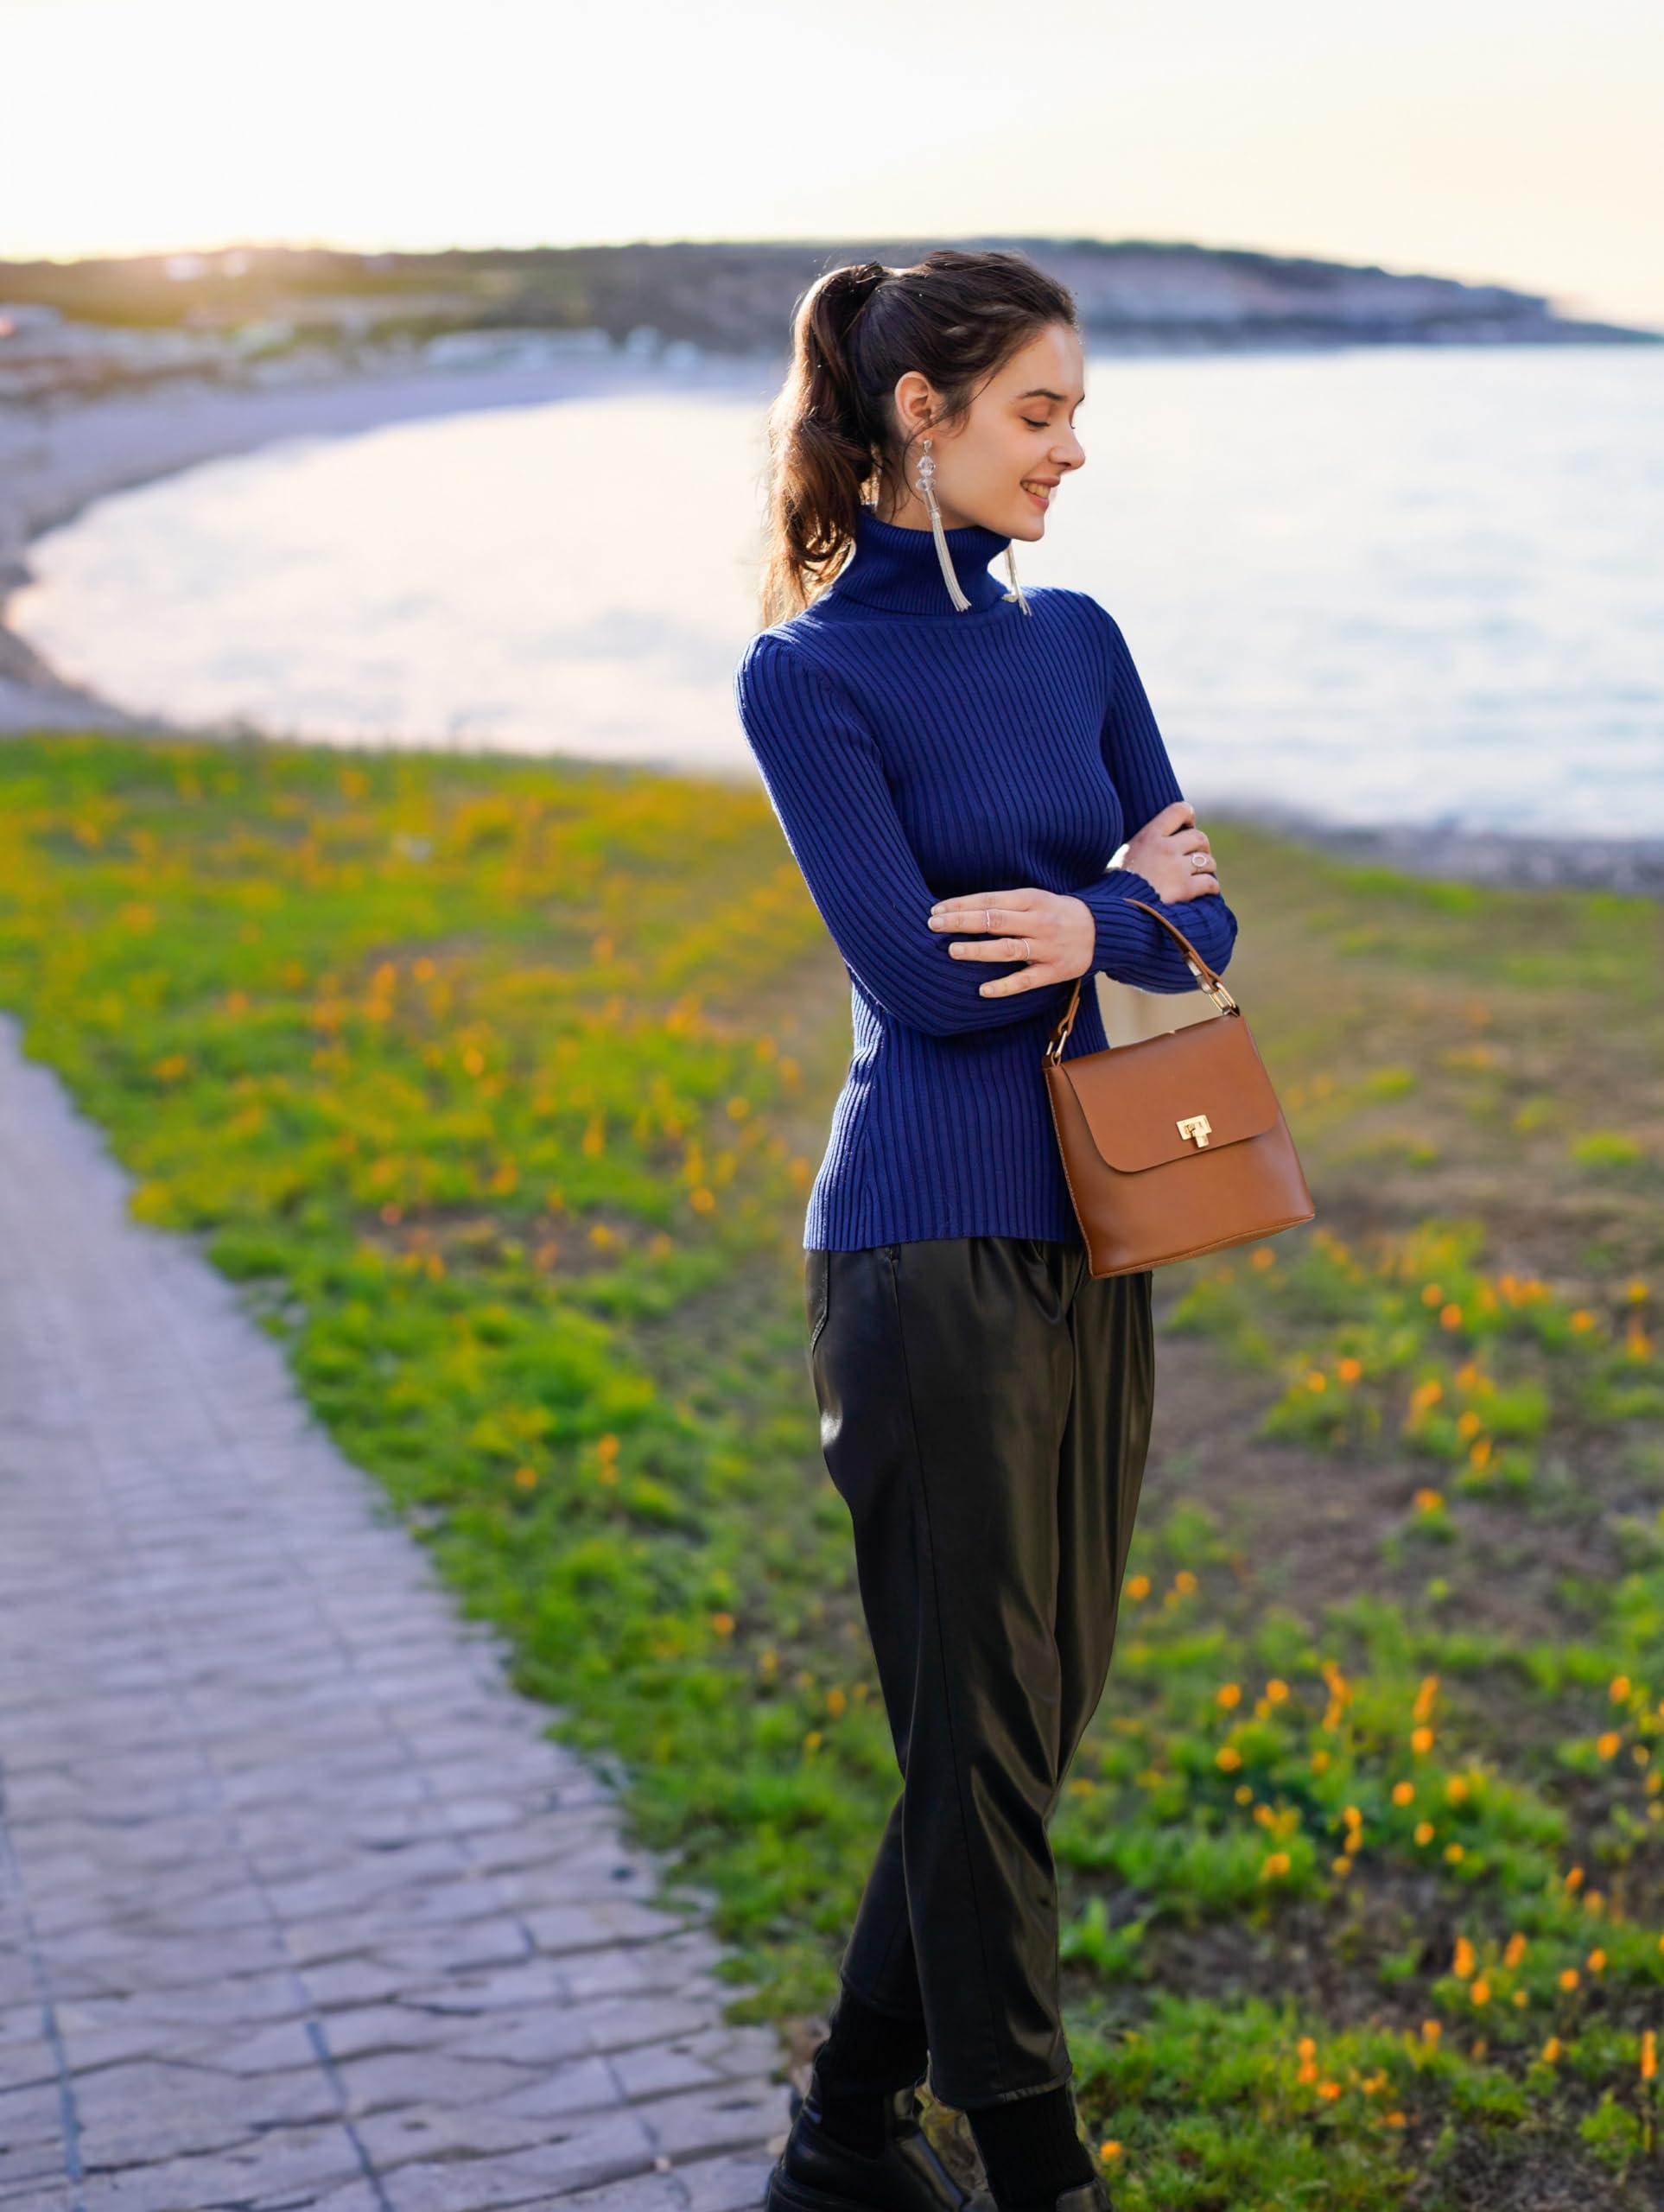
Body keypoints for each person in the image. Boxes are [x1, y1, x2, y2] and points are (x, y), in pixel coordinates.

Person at [732, 249, 1238, 2212]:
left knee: (1018, 1719)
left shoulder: (1081, 636)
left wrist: (1097, 918)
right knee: (986, 1727)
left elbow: (1204, 921)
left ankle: (842, 2137)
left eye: (1075, 409)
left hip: (1100, 1214)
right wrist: (1106, 905)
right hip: (920, 1248)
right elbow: (927, 984)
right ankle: (1037, 2165)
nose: (1074, 449)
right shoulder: (809, 675)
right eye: (1038, 412)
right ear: (918, 418)